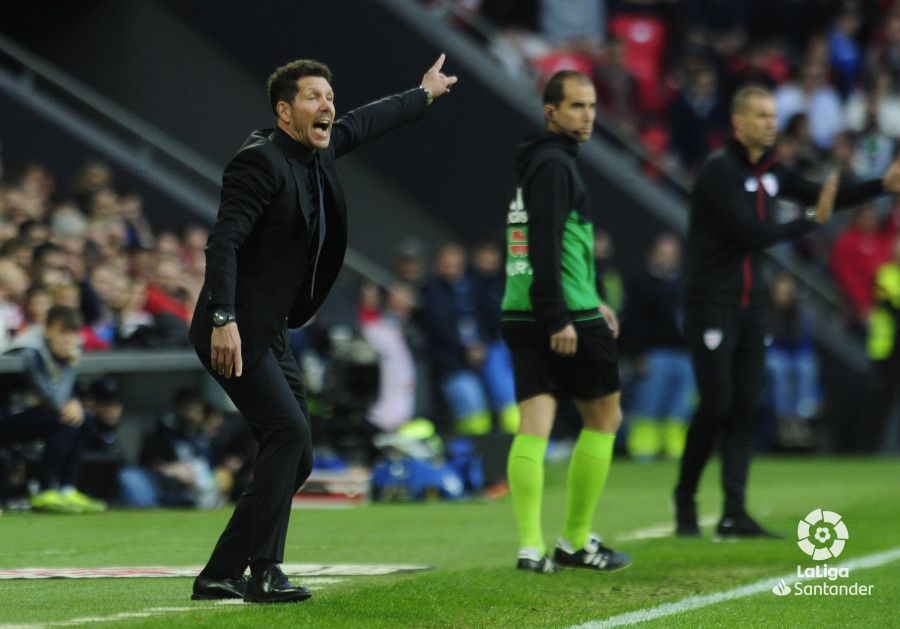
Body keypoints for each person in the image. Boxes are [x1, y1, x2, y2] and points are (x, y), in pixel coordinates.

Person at [188, 56, 456, 603]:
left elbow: (363, 122)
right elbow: (224, 242)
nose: (328, 105)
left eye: (329, 96)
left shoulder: (318, 150)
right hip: (236, 328)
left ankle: (222, 571)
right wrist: (222, 318)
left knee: (299, 453)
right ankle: (263, 570)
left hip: (271, 331)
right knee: (287, 436)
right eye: (314, 97)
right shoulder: (257, 164)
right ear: (285, 112)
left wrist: (422, 94)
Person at [674, 84, 900, 539]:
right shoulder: (720, 171)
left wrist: (881, 186)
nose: (770, 123)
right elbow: (752, 234)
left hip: (750, 304)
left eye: (773, 116)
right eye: (760, 116)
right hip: (711, 301)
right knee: (717, 402)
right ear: (737, 123)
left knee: (746, 404)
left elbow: (823, 194)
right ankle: (685, 497)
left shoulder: (772, 172)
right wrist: (810, 221)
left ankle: (733, 512)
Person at [501, 70, 631, 574]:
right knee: (605, 419)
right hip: (560, 315)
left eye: (592, 105)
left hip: (521, 308)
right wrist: (562, 312)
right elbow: (547, 242)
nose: (589, 115)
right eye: (577, 106)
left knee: (535, 424)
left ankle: (530, 547)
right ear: (550, 111)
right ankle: (576, 541)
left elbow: (544, 242)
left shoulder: (534, 162)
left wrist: (592, 295)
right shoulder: (556, 164)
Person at [0, 305, 106, 513]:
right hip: (6, 417)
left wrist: (75, 403)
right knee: (62, 418)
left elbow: (62, 397)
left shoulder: (55, 352)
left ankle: (66, 488)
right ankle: (45, 488)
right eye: (63, 332)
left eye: (73, 333)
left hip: (29, 414)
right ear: (48, 329)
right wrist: (71, 365)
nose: (69, 339)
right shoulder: (30, 351)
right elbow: (53, 398)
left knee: (83, 418)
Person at [619, 232, 694, 461]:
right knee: (648, 404)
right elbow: (631, 322)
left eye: (672, 253)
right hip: (654, 354)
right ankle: (643, 450)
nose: (668, 258)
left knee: (681, 406)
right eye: (663, 253)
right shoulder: (639, 283)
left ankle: (675, 450)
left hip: (685, 355)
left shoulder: (686, 283)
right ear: (651, 254)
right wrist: (636, 354)